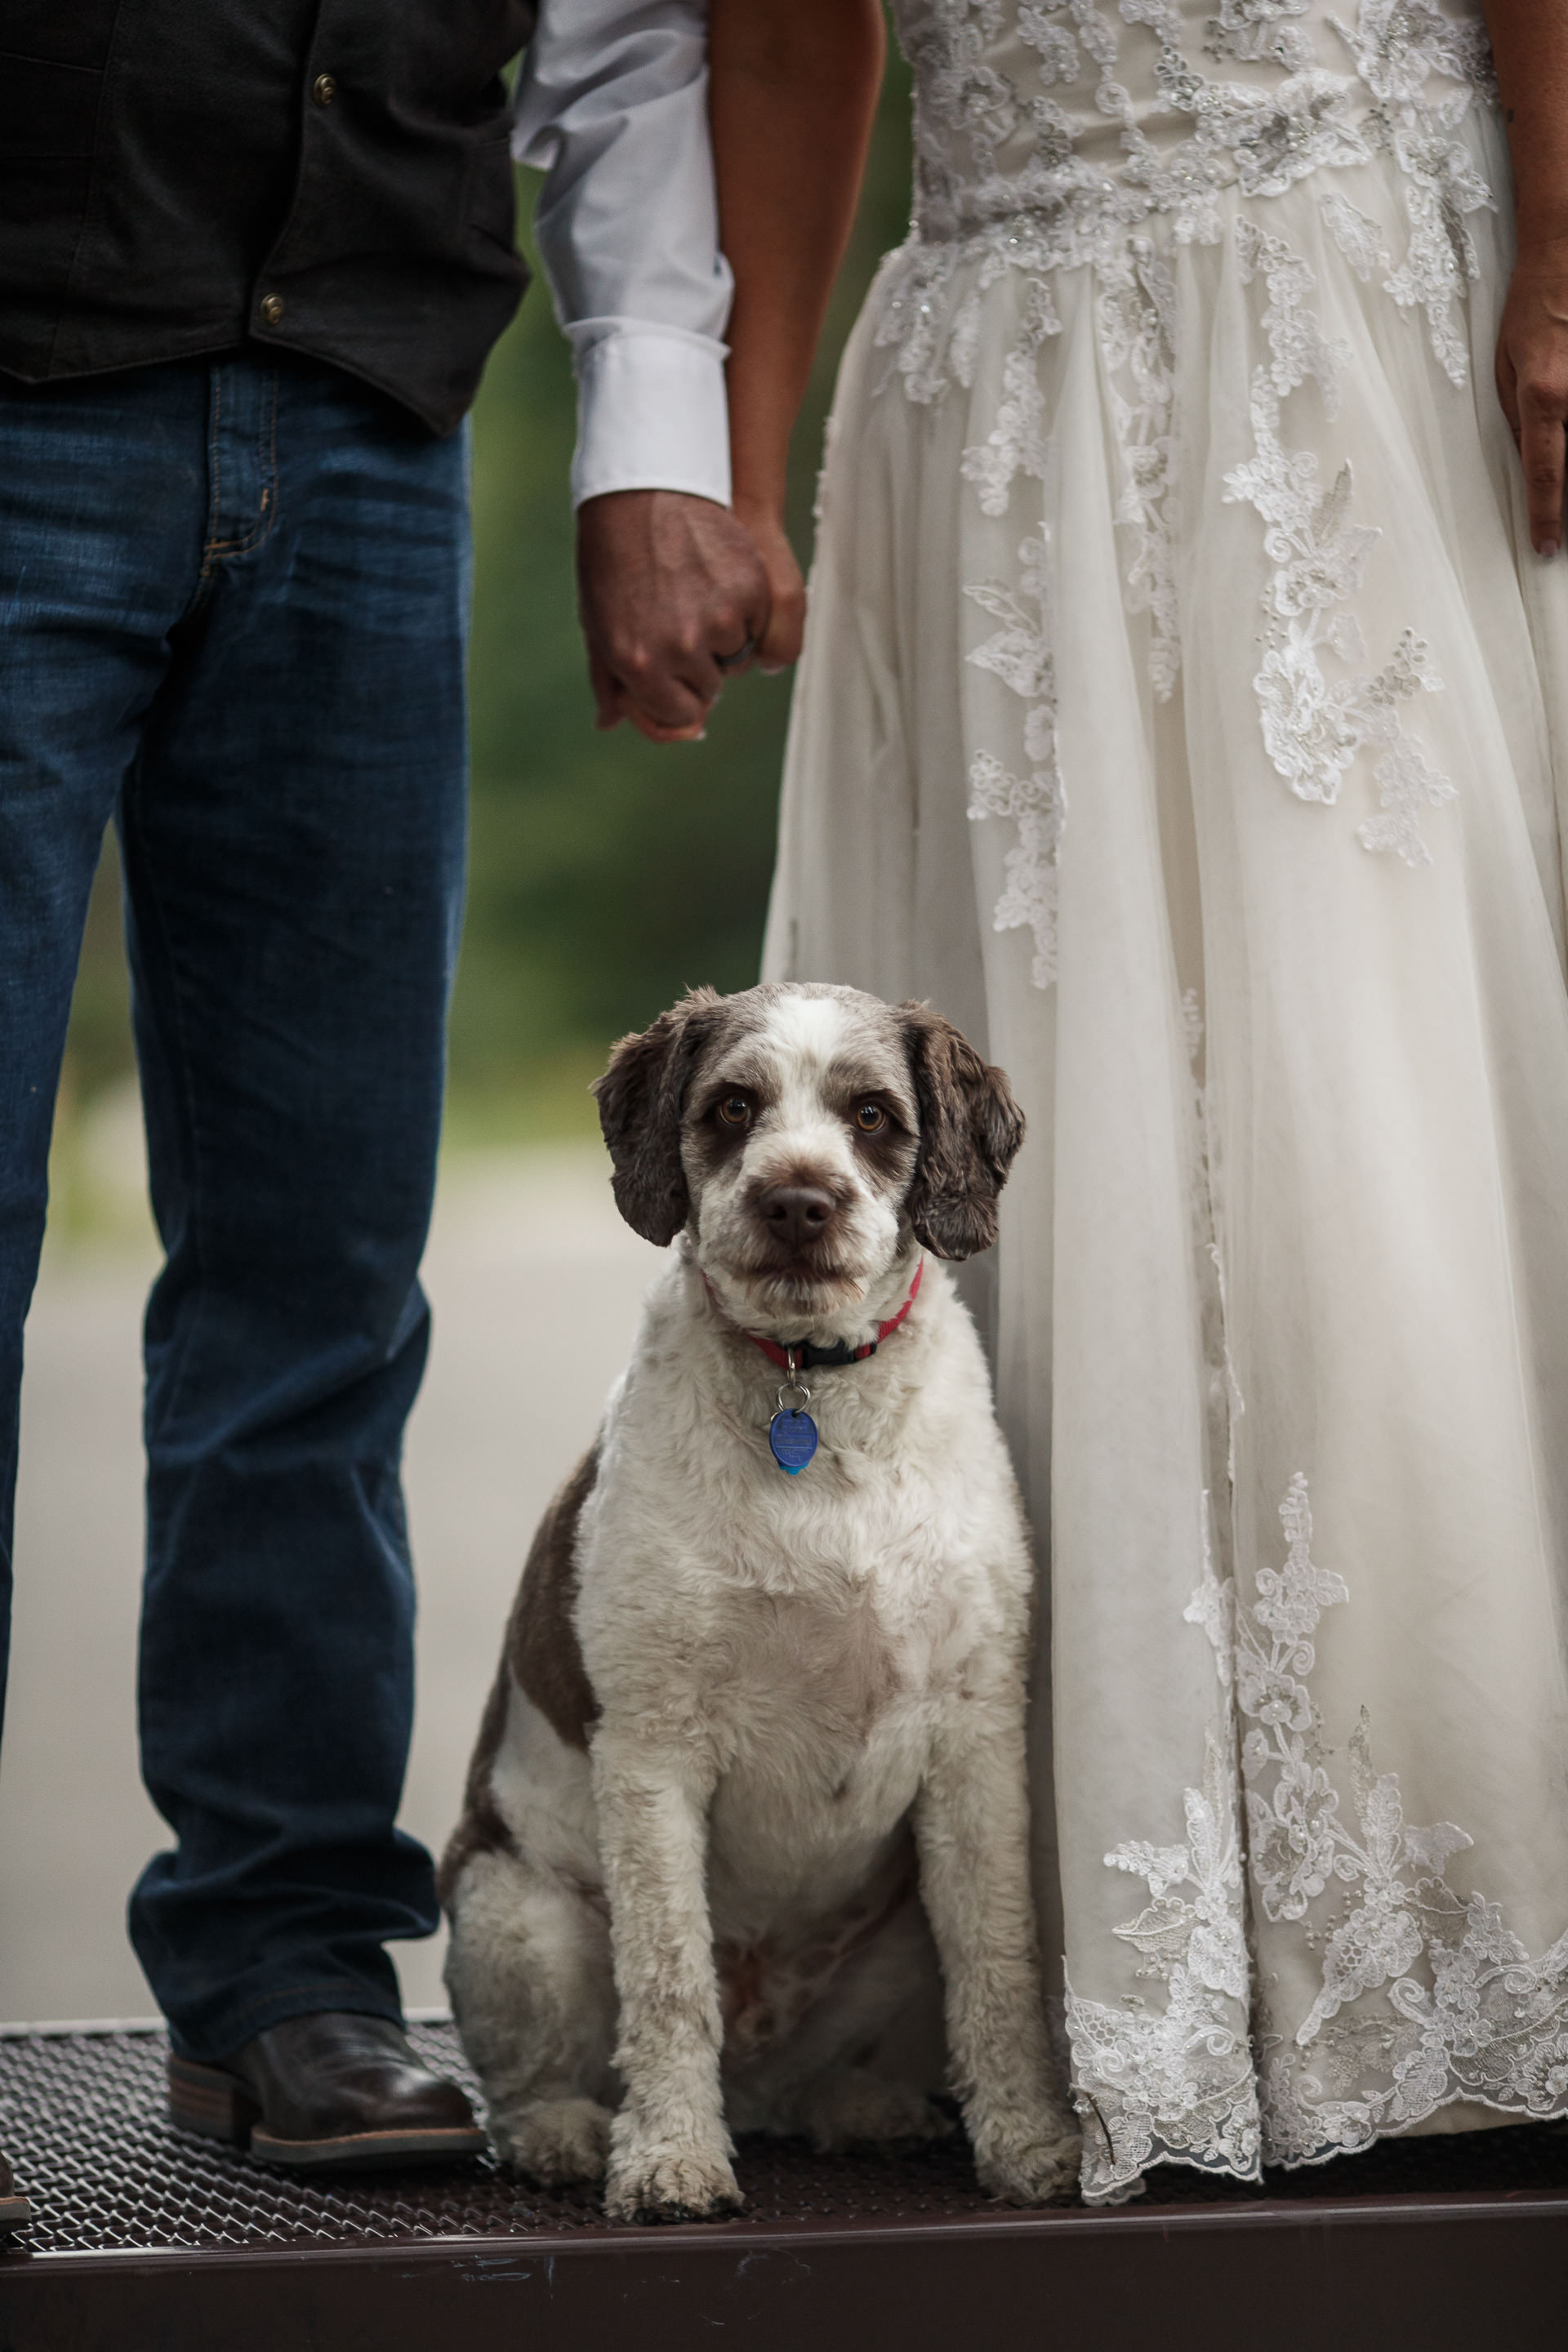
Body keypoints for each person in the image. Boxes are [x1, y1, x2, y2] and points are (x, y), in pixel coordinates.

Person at [715, 0, 1568, 2202]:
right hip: (995, 371)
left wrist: (1561, 243)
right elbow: (792, 33)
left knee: (1367, 1094)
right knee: (1048, 1120)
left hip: (1334, 308)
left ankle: (1445, 1916)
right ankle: (1082, 1935)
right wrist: (734, 460)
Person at [0, 0, 788, 2209]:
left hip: (369, 442)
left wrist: (652, 432)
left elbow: (621, 48)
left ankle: (284, 1966)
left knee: (323, 1264)